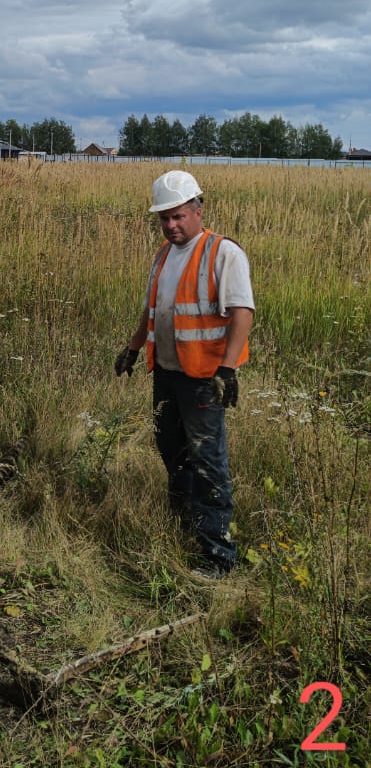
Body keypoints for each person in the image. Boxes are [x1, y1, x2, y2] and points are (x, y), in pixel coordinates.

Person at [114, 170, 254, 581]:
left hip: (204, 378)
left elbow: (242, 313)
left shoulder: (223, 253)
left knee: (208, 462)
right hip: (167, 373)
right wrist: (133, 348)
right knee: (172, 450)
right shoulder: (163, 255)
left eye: (178, 216)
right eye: (165, 218)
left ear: (198, 210)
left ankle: (218, 555)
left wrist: (227, 369)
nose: (172, 225)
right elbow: (152, 311)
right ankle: (183, 523)